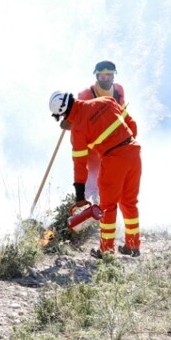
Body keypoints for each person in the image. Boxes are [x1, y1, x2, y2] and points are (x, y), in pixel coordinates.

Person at [50, 91, 141, 258]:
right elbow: (131, 123)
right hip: (134, 153)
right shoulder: (106, 100)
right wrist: (125, 146)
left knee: (107, 206)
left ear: (63, 113)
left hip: (113, 160)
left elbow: (80, 164)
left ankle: (106, 251)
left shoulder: (77, 130)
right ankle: (133, 245)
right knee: (129, 202)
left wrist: (79, 196)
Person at [76, 60, 129, 204]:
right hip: (93, 146)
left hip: (114, 144)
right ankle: (88, 212)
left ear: (113, 76)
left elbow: (122, 114)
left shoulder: (119, 91)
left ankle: (107, 212)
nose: (106, 79)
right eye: (102, 77)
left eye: (109, 76)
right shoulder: (86, 95)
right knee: (93, 179)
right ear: (97, 77)